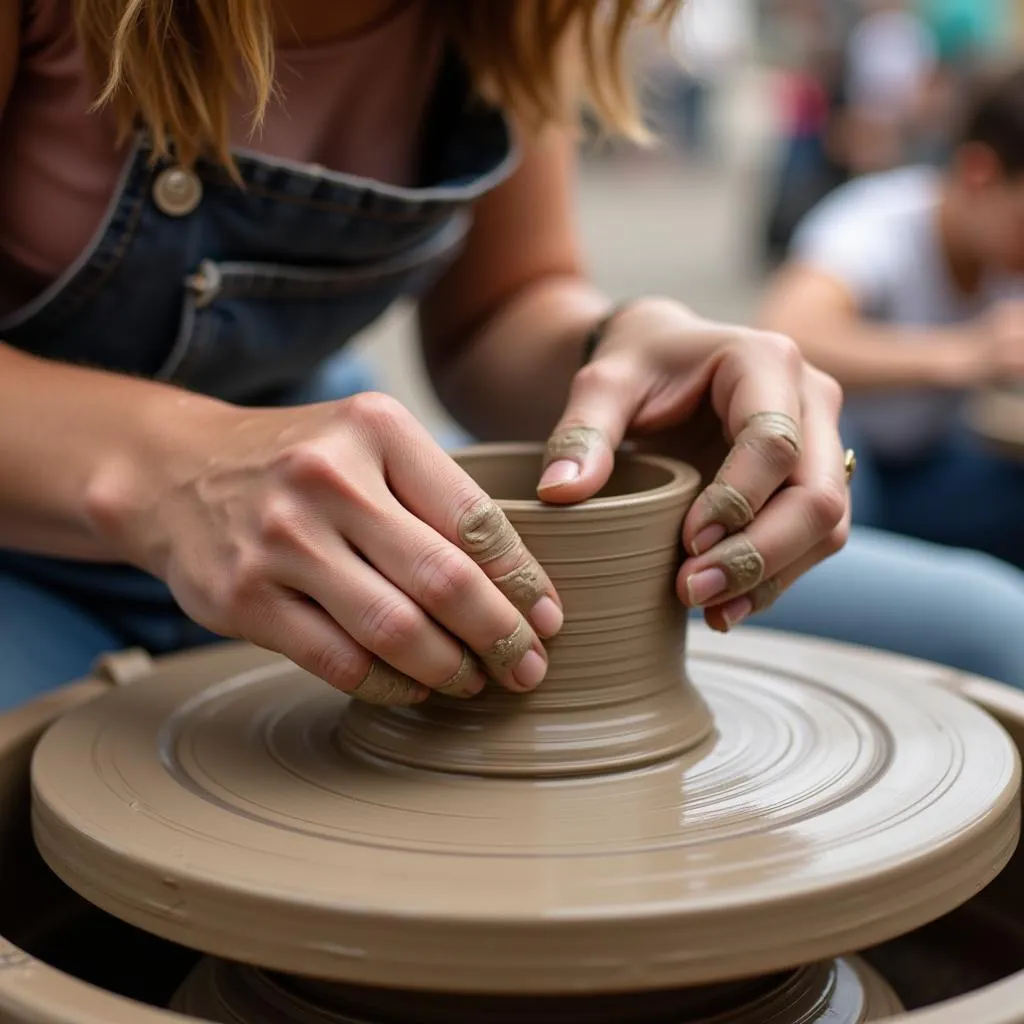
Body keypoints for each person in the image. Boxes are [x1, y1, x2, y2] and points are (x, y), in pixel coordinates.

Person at [0, 0, 1019, 714]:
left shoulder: (512, 15)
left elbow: (498, 311)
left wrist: (622, 350)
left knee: (988, 638)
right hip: (32, 531)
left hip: (332, 493)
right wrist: (177, 470)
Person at [760, 63, 1024, 568]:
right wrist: (962, 353)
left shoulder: (1001, 253)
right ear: (978, 175)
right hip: (846, 469)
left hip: (931, 466)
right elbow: (785, 330)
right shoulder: (874, 223)